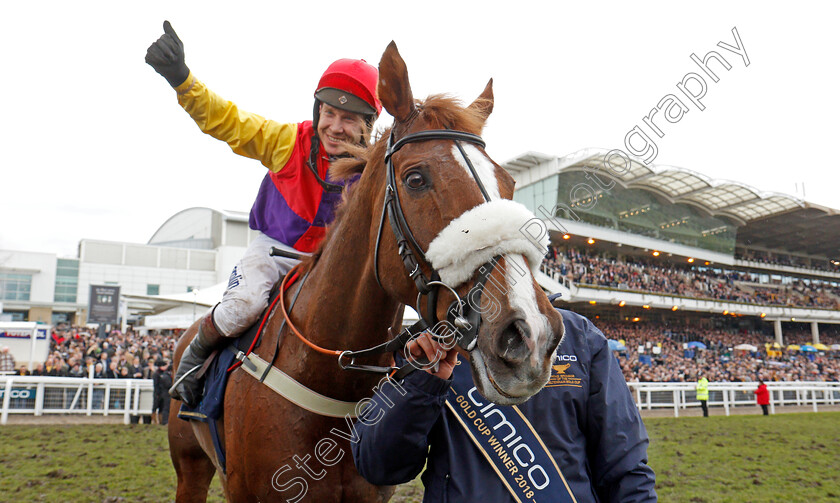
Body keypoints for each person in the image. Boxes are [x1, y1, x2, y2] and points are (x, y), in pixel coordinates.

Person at [145, 21, 381, 407]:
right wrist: (181, 79)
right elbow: (227, 120)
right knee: (242, 308)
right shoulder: (287, 140)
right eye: (329, 113)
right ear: (317, 109)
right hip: (273, 253)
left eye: (349, 118)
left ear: (367, 125)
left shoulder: (372, 171)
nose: (335, 127)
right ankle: (193, 359)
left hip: (331, 267)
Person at [352, 308, 657, 502]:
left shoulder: (579, 338)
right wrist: (424, 383)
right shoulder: (432, 345)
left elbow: (625, 468)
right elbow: (378, 465)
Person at [152, 359, 173, 425]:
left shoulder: (163, 374)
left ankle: (160, 421)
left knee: (162, 407)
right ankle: (155, 420)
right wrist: (157, 393)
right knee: (156, 407)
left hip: (162, 393)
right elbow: (156, 385)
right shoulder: (156, 374)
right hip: (158, 393)